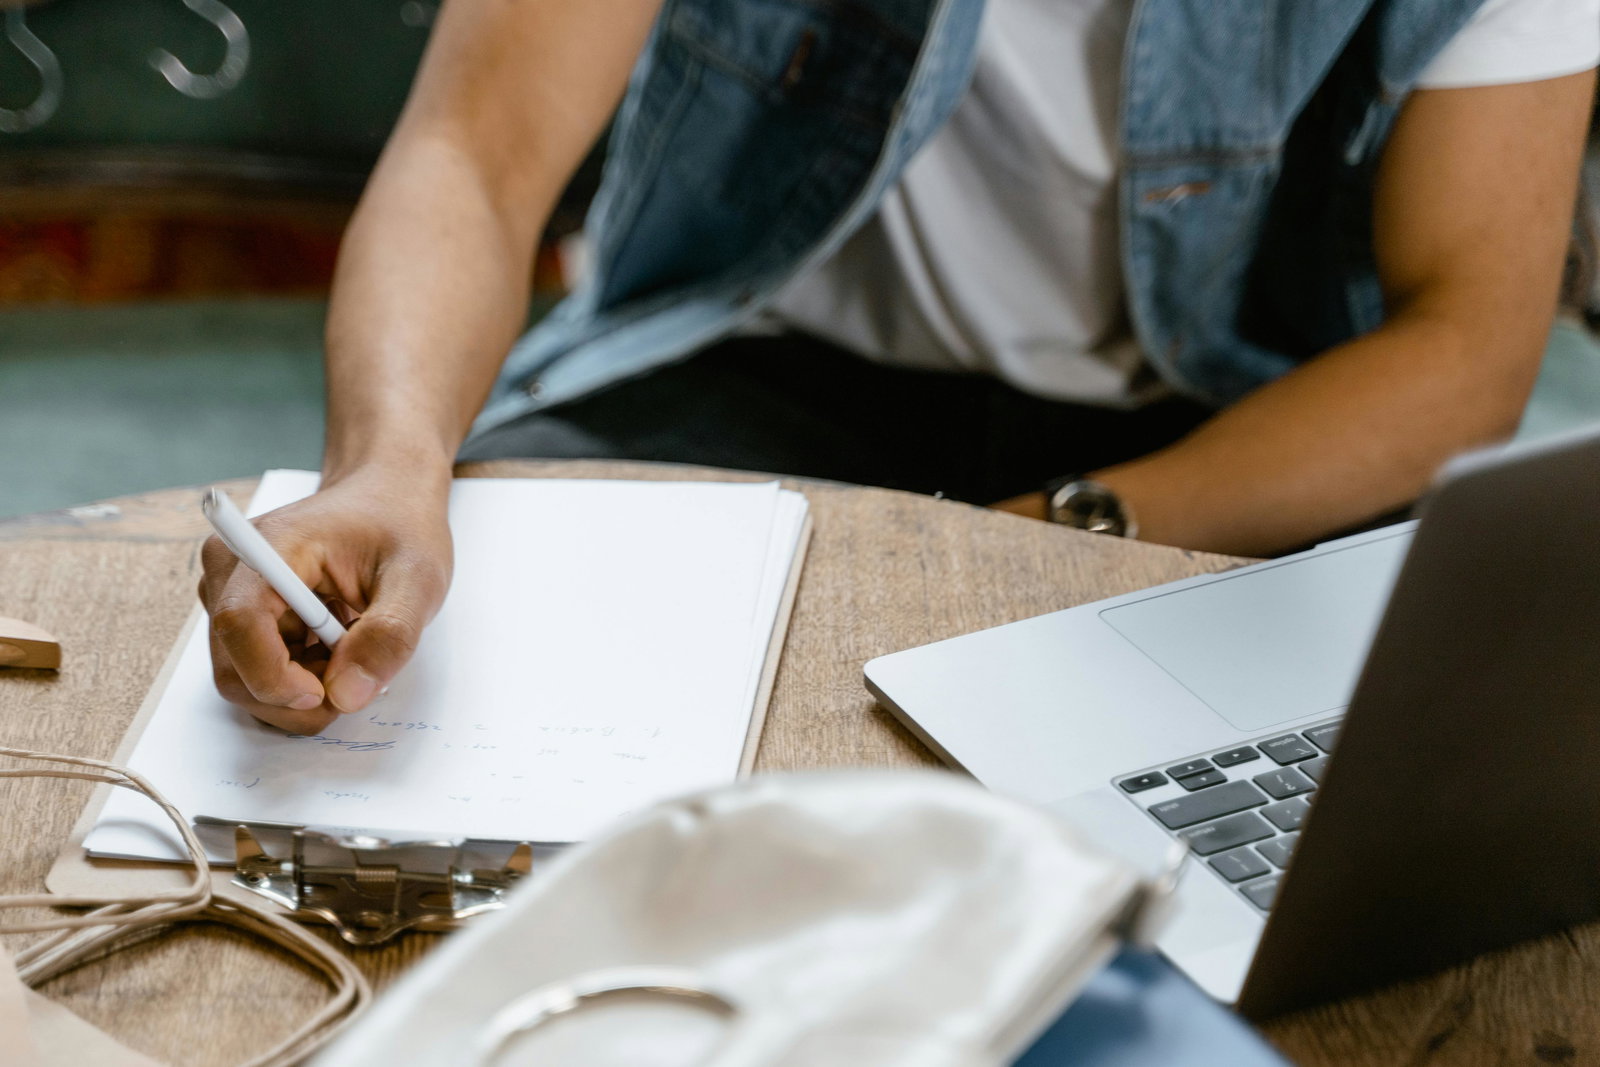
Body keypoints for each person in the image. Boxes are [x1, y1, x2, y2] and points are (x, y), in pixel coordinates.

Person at [199, 0, 1598, 732]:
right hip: (751, 365)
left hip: (1234, 434)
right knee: (453, 708)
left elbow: (1462, 347)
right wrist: (389, 465)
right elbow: (474, 152)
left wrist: (1038, 543)